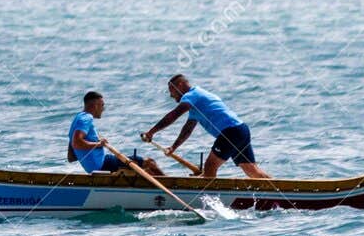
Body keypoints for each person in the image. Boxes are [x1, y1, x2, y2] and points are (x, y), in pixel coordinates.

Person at [142, 74, 272, 180]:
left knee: (209, 167)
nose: (171, 96)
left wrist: (151, 132)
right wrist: (174, 147)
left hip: (231, 132)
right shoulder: (197, 100)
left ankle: (210, 200)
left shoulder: (191, 96)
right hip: (241, 130)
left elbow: (173, 115)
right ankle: (278, 191)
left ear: (180, 85)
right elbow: (188, 129)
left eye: (172, 91)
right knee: (252, 171)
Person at [68, 91, 163, 176]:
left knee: (145, 169)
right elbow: (76, 143)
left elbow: (71, 157)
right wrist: (99, 144)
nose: (103, 109)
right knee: (149, 163)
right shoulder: (87, 118)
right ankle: (170, 185)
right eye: (102, 105)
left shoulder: (77, 119)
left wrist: (87, 156)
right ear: (95, 105)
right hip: (102, 164)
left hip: (99, 164)